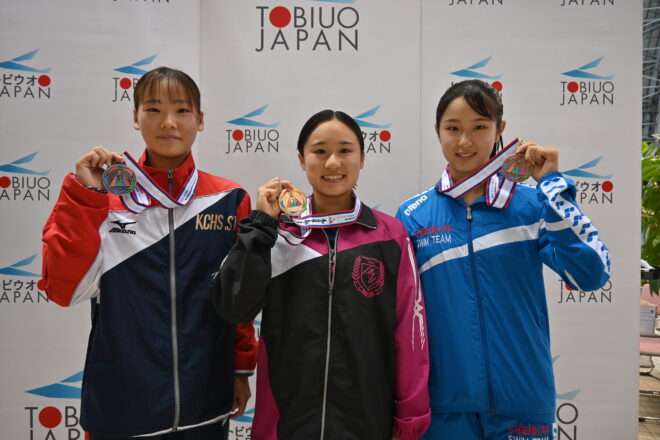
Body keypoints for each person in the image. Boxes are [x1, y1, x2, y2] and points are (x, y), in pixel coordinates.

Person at [38, 67, 258, 439]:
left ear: (200, 120)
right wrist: (84, 198)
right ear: (136, 118)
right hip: (122, 410)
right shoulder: (106, 199)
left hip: (205, 407)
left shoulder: (229, 199)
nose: (168, 122)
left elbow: (238, 298)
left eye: (182, 110)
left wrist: (240, 368)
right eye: (154, 109)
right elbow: (63, 289)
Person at [396, 79, 611, 440]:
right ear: (437, 131)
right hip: (443, 405)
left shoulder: (531, 205)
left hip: (522, 399)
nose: (465, 142)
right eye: (453, 128)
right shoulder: (413, 216)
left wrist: (554, 189)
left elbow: (590, 274)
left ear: (500, 130)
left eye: (480, 127)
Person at [212, 109, 431, 440]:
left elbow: (409, 333)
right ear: (302, 159)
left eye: (345, 150)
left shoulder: (391, 237)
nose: (332, 163)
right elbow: (233, 306)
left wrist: (410, 418)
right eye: (319, 151)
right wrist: (260, 225)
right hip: (284, 425)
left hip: (366, 425)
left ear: (362, 158)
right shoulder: (280, 234)